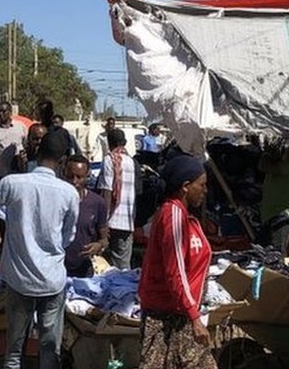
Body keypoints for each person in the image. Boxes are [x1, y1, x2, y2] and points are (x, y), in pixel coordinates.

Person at [0, 134, 79, 369]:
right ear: (63, 160)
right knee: (49, 349)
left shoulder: (12, 183)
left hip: (19, 282)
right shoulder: (69, 193)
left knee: (14, 350)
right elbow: (68, 237)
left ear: (35, 152)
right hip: (52, 281)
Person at [138, 155, 215, 369]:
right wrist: (194, 316)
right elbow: (176, 271)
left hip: (180, 314)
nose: (205, 190)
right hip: (165, 316)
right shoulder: (172, 215)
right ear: (185, 187)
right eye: (202, 185)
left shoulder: (183, 216)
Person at [0, 102, 27, 244]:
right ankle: (4, 240)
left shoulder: (20, 128)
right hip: (1, 175)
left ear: (10, 112)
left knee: (19, 207)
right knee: (1, 209)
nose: (1, 114)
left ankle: (19, 239)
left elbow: (28, 146)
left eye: (3, 111)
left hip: (18, 175)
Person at [97, 128, 138, 270]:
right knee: (123, 266)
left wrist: (103, 221)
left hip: (111, 220)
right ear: (124, 143)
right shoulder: (131, 162)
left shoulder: (109, 160)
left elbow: (107, 192)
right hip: (127, 221)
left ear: (109, 143)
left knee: (105, 266)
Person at [64, 155, 109, 278]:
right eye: (70, 176)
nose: (74, 181)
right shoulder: (55, 201)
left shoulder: (97, 203)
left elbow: (104, 239)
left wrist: (98, 246)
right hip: (57, 269)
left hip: (83, 271)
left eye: (79, 177)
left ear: (87, 176)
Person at [258, 143, 289, 253]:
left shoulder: (287, 168)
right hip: (270, 217)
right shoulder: (273, 171)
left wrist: (268, 152)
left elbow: (263, 165)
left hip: (281, 217)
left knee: (281, 255)